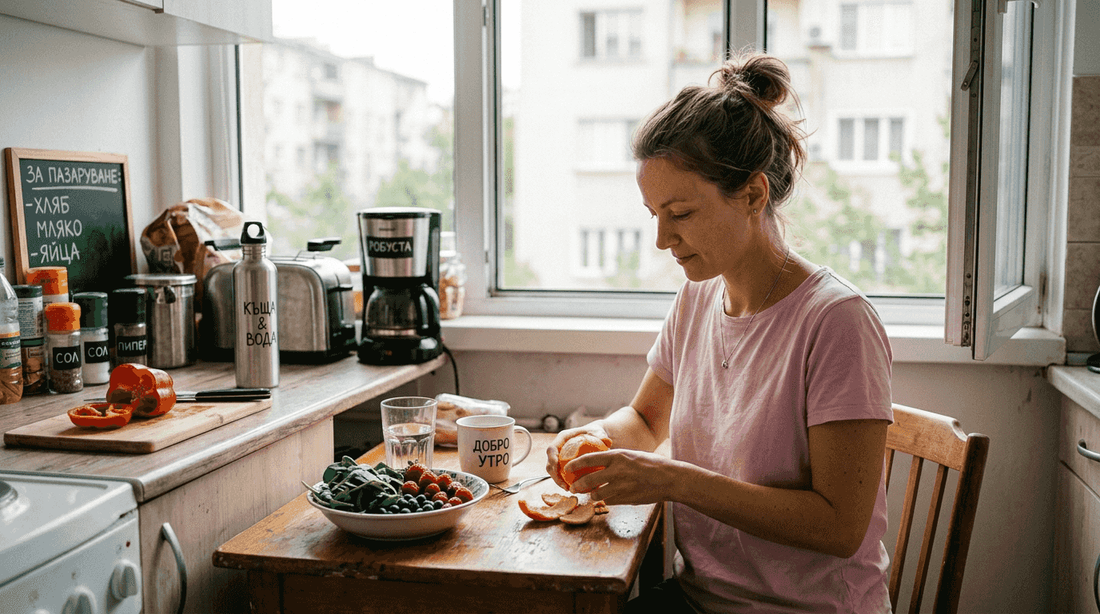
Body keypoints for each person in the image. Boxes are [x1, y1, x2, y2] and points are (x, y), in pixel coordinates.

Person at [546, 52, 893, 613]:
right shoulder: (698, 296)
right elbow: (645, 421)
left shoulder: (837, 322)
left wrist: (673, 479)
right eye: (654, 214)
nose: (662, 239)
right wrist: (592, 442)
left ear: (753, 195)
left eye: (680, 214)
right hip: (702, 598)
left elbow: (839, 527)